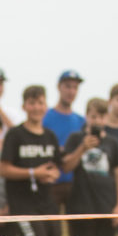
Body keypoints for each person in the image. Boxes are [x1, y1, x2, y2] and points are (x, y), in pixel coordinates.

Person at [0, 85, 63, 236]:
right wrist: (33, 173)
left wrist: (51, 174)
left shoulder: (50, 136)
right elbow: (3, 169)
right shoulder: (15, 134)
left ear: (46, 106)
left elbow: (57, 167)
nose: (36, 107)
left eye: (40, 103)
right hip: (23, 206)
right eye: (32, 103)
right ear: (24, 106)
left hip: (48, 203)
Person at [61, 98, 118, 236]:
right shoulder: (76, 138)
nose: (97, 121)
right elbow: (66, 166)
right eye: (94, 116)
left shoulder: (112, 142)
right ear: (87, 116)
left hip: (106, 206)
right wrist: (82, 148)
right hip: (81, 206)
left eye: (102, 117)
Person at [43, 70, 86, 215]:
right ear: (59, 87)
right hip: (51, 183)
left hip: (75, 184)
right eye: (67, 86)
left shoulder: (81, 121)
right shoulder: (45, 117)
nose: (71, 91)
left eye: (75, 88)